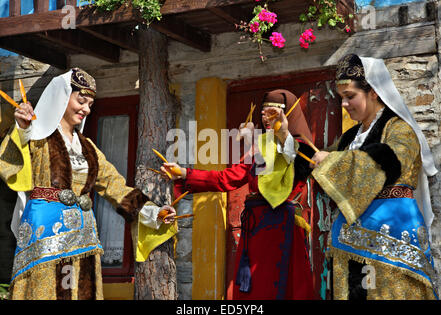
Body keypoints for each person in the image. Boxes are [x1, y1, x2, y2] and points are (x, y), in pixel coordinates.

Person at [0, 68, 176, 300]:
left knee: (81, 292)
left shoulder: (88, 147)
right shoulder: (37, 135)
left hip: (83, 234)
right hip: (45, 231)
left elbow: (116, 187)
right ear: (62, 97)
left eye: (90, 104)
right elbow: (10, 164)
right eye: (81, 101)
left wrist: (154, 212)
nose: (86, 109)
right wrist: (22, 129)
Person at [161, 89, 316, 300]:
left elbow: (292, 159)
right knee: (255, 292)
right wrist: (185, 173)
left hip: (281, 228)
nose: (266, 118)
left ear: (287, 115)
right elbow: (227, 178)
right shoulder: (259, 148)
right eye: (263, 113)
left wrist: (282, 134)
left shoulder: (303, 148)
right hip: (255, 230)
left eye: (274, 113)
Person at [310, 54, 438, 299]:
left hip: (390, 238)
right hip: (351, 242)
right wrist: (286, 141)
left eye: (350, 97)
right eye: (341, 99)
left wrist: (333, 161)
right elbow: (325, 171)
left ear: (374, 92)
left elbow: (388, 163)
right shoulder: (349, 138)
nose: (345, 105)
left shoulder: (399, 129)